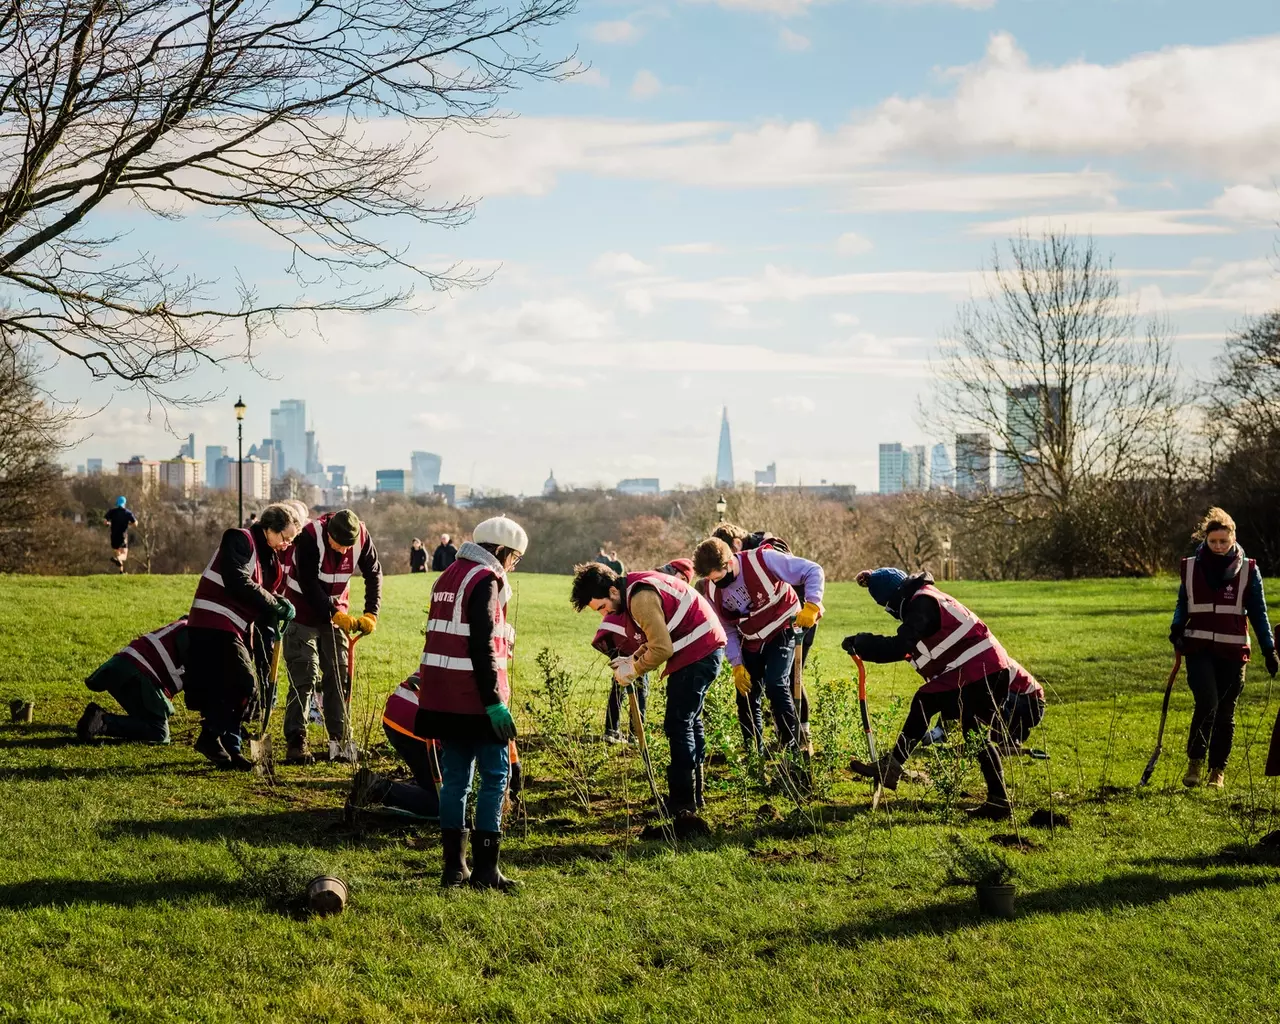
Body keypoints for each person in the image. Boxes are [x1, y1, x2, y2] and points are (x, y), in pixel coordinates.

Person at [842, 567, 1017, 818]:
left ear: (895, 597)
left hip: (982, 670)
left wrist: (863, 643)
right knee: (971, 731)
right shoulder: (926, 597)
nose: (892, 613)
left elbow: (900, 647)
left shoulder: (922, 603)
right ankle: (999, 802)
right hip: (985, 670)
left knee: (931, 704)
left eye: (889, 606)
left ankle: (892, 766)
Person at [415, 515, 527, 891]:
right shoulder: (486, 579)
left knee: (455, 782)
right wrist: (495, 703)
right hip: (476, 697)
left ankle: (454, 869)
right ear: (500, 551)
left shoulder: (447, 575)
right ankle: (485, 871)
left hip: (440, 695)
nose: (513, 565)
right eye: (514, 558)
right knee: (496, 777)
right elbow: (480, 644)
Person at [572, 559, 726, 820]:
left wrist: (633, 670)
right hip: (702, 646)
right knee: (690, 722)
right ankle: (692, 798)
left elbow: (662, 649)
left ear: (612, 591)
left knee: (678, 725)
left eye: (602, 607)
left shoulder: (639, 598)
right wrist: (632, 659)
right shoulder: (635, 588)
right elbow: (657, 639)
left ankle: (682, 803)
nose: (605, 614)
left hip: (698, 650)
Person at [184, 503, 302, 769]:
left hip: (233, 627)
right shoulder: (239, 538)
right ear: (268, 529)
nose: (286, 545)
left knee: (233, 689)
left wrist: (278, 607)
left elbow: (262, 595)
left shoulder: (268, 556)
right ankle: (209, 737)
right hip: (212, 622)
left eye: (290, 540)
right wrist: (273, 603)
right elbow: (237, 579)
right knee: (245, 684)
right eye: (284, 538)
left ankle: (229, 747)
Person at [1170, 507, 1277, 789]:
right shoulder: (1191, 565)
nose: (1218, 547)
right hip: (1198, 646)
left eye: (1223, 542)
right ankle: (1195, 763)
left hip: (1233, 650)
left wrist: (1269, 650)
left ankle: (1217, 771)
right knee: (1207, 702)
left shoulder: (1249, 570)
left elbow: (1259, 612)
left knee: (1226, 711)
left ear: (1233, 539)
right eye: (1213, 541)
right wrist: (1176, 628)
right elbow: (1184, 601)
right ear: (1205, 539)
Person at [692, 536, 824, 758]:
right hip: (751, 639)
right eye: (711, 579)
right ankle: (755, 752)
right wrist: (736, 664)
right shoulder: (712, 590)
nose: (716, 583)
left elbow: (813, 570)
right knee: (746, 693)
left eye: (719, 577)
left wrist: (812, 604)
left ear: (729, 563)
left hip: (782, 627)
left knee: (776, 683)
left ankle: (793, 749)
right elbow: (727, 628)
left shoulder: (763, 559)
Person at [282, 508, 383, 765]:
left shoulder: (361, 537)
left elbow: (373, 574)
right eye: (336, 545)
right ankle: (296, 741)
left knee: (339, 674)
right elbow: (308, 582)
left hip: (336, 612)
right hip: (302, 611)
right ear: (328, 534)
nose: (340, 551)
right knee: (304, 673)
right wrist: (332, 612)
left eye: (345, 548)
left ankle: (339, 741)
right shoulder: (309, 536)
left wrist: (371, 613)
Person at [595, 558, 694, 744]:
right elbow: (659, 643)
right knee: (638, 682)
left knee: (622, 680)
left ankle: (613, 728)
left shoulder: (646, 580)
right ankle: (634, 732)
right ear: (678, 573)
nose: (684, 584)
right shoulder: (658, 586)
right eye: (685, 578)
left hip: (615, 636)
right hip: (627, 637)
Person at [77, 618, 188, 744]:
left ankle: (100, 719)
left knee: (147, 720)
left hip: (121, 667)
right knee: (158, 732)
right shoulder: (196, 635)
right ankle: (101, 721)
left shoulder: (188, 624)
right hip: (139, 674)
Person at [103, 496, 137, 574]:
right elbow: (135, 523)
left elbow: (105, 521)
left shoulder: (112, 511)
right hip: (123, 536)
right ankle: (116, 559)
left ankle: (121, 572)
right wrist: (129, 523)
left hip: (113, 536)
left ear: (117, 503)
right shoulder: (127, 512)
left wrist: (108, 523)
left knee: (118, 552)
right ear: (124, 503)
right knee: (124, 555)